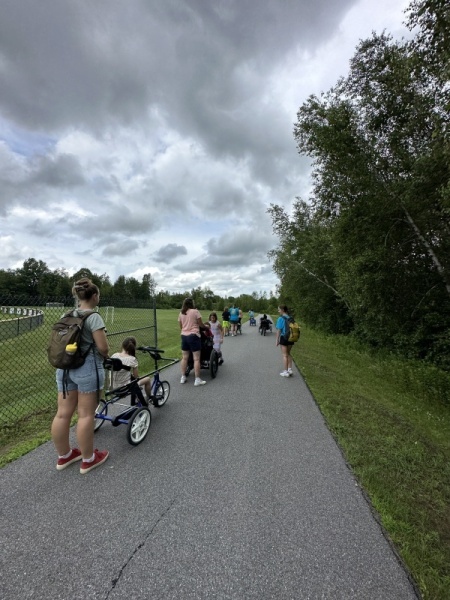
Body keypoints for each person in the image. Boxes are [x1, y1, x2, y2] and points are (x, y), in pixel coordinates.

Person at [51, 278, 110, 474]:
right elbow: (102, 348)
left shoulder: (66, 315)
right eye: (98, 295)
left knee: (62, 413)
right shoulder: (93, 317)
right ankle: (88, 459)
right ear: (94, 296)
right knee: (85, 414)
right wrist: (107, 355)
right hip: (87, 368)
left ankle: (64, 455)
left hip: (64, 368)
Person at [178, 298, 207, 386]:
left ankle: (183, 377)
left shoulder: (181, 313)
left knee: (184, 358)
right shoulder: (195, 311)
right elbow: (200, 324)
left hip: (184, 336)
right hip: (193, 335)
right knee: (196, 359)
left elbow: (181, 326)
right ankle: (197, 379)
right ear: (192, 304)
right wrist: (205, 327)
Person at [276, 304, 294, 377]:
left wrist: (277, 340)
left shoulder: (281, 318)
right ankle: (290, 369)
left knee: (284, 355)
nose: (278, 311)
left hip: (284, 338)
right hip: (291, 337)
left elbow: (279, 330)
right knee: (288, 353)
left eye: (279, 310)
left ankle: (285, 372)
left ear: (283, 310)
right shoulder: (291, 318)